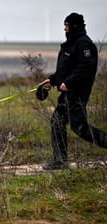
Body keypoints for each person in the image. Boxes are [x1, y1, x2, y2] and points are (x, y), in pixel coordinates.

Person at [37, 12, 107, 170]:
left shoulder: (84, 45)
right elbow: (65, 70)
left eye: (67, 25)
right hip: (67, 93)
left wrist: (68, 83)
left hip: (77, 94)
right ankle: (60, 160)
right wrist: (52, 80)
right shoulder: (70, 45)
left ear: (74, 26)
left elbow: (85, 69)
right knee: (57, 121)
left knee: (80, 128)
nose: (64, 28)